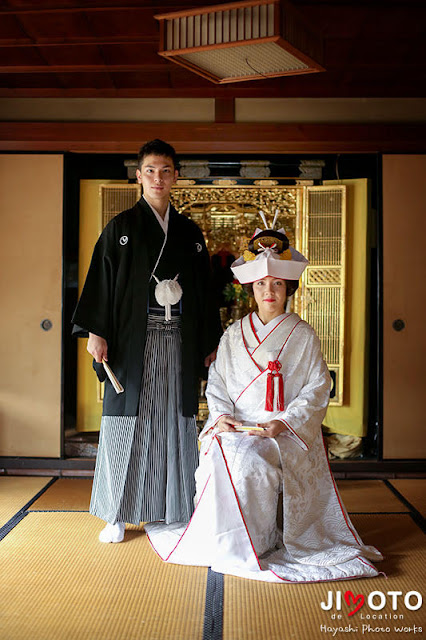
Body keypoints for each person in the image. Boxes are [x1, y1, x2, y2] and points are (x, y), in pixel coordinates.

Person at [145, 220, 383, 583]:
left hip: (281, 431)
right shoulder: (233, 334)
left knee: (249, 463)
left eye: (276, 284)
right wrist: (222, 416)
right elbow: (218, 383)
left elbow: (318, 388)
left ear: (288, 288)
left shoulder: (303, 336)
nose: (268, 291)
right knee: (217, 457)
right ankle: (219, 539)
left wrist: (284, 423)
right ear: (249, 289)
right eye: (260, 284)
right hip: (237, 425)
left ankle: (254, 542)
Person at [72, 139, 222, 543]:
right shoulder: (121, 228)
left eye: (166, 170)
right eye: (151, 170)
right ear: (138, 176)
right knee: (125, 423)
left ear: (176, 177)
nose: (158, 178)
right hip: (131, 342)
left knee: (175, 420)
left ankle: (173, 508)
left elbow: (205, 292)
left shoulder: (189, 232)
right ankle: (115, 514)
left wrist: (209, 339)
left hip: (177, 341)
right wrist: (96, 332)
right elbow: (100, 283)